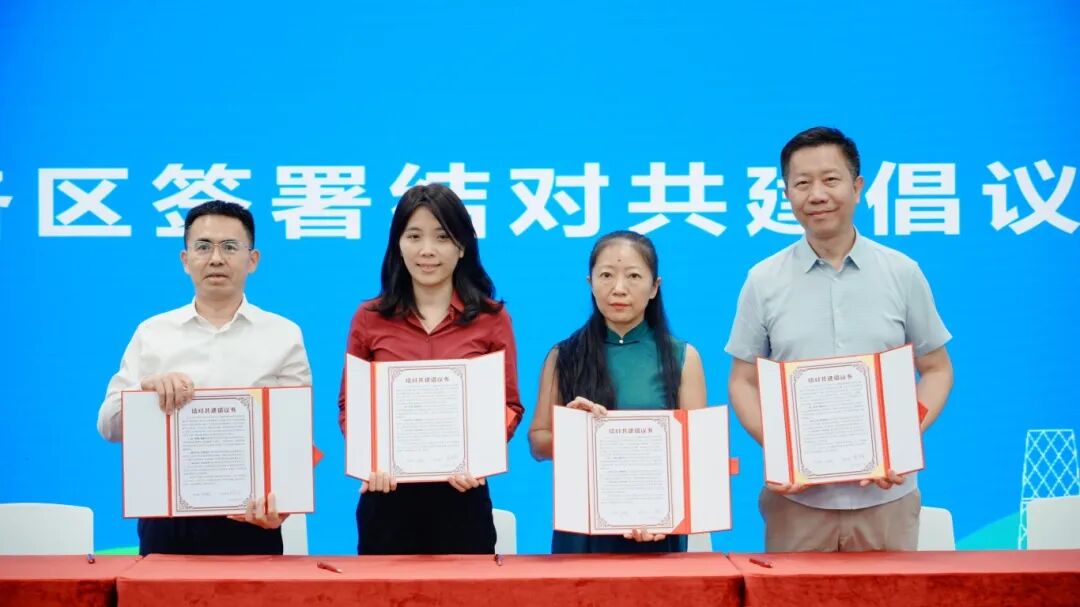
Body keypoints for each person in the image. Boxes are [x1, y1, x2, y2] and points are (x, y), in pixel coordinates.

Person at [725, 126, 954, 552]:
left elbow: (937, 369)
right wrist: (781, 448)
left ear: (857, 186)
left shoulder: (902, 273)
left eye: (831, 179)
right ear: (787, 194)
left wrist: (900, 441)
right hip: (797, 502)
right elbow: (743, 380)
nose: (817, 195)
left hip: (887, 499)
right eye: (802, 183)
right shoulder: (763, 280)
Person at [98, 200, 311, 556]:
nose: (216, 258)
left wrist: (283, 505)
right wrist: (143, 392)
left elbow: (295, 435)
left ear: (253, 260)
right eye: (203, 247)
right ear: (185, 260)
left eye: (230, 247)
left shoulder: (283, 335)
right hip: (166, 518)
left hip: (250, 520)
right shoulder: (152, 333)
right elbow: (108, 427)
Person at [338, 183, 524, 555]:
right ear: (398, 245)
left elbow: (509, 405)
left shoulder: (492, 318)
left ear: (462, 246)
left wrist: (480, 455)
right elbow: (350, 406)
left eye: (442, 237)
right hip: (387, 497)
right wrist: (370, 457)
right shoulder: (369, 318)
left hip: (463, 494)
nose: (427, 250)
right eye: (414, 236)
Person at [528, 230, 707, 553]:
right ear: (590, 282)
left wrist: (664, 516)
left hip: (655, 527)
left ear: (655, 287)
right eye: (606, 275)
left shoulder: (682, 358)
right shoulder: (563, 355)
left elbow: (696, 453)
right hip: (581, 531)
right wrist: (574, 433)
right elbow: (538, 442)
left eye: (634, 276)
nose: (619, 288)